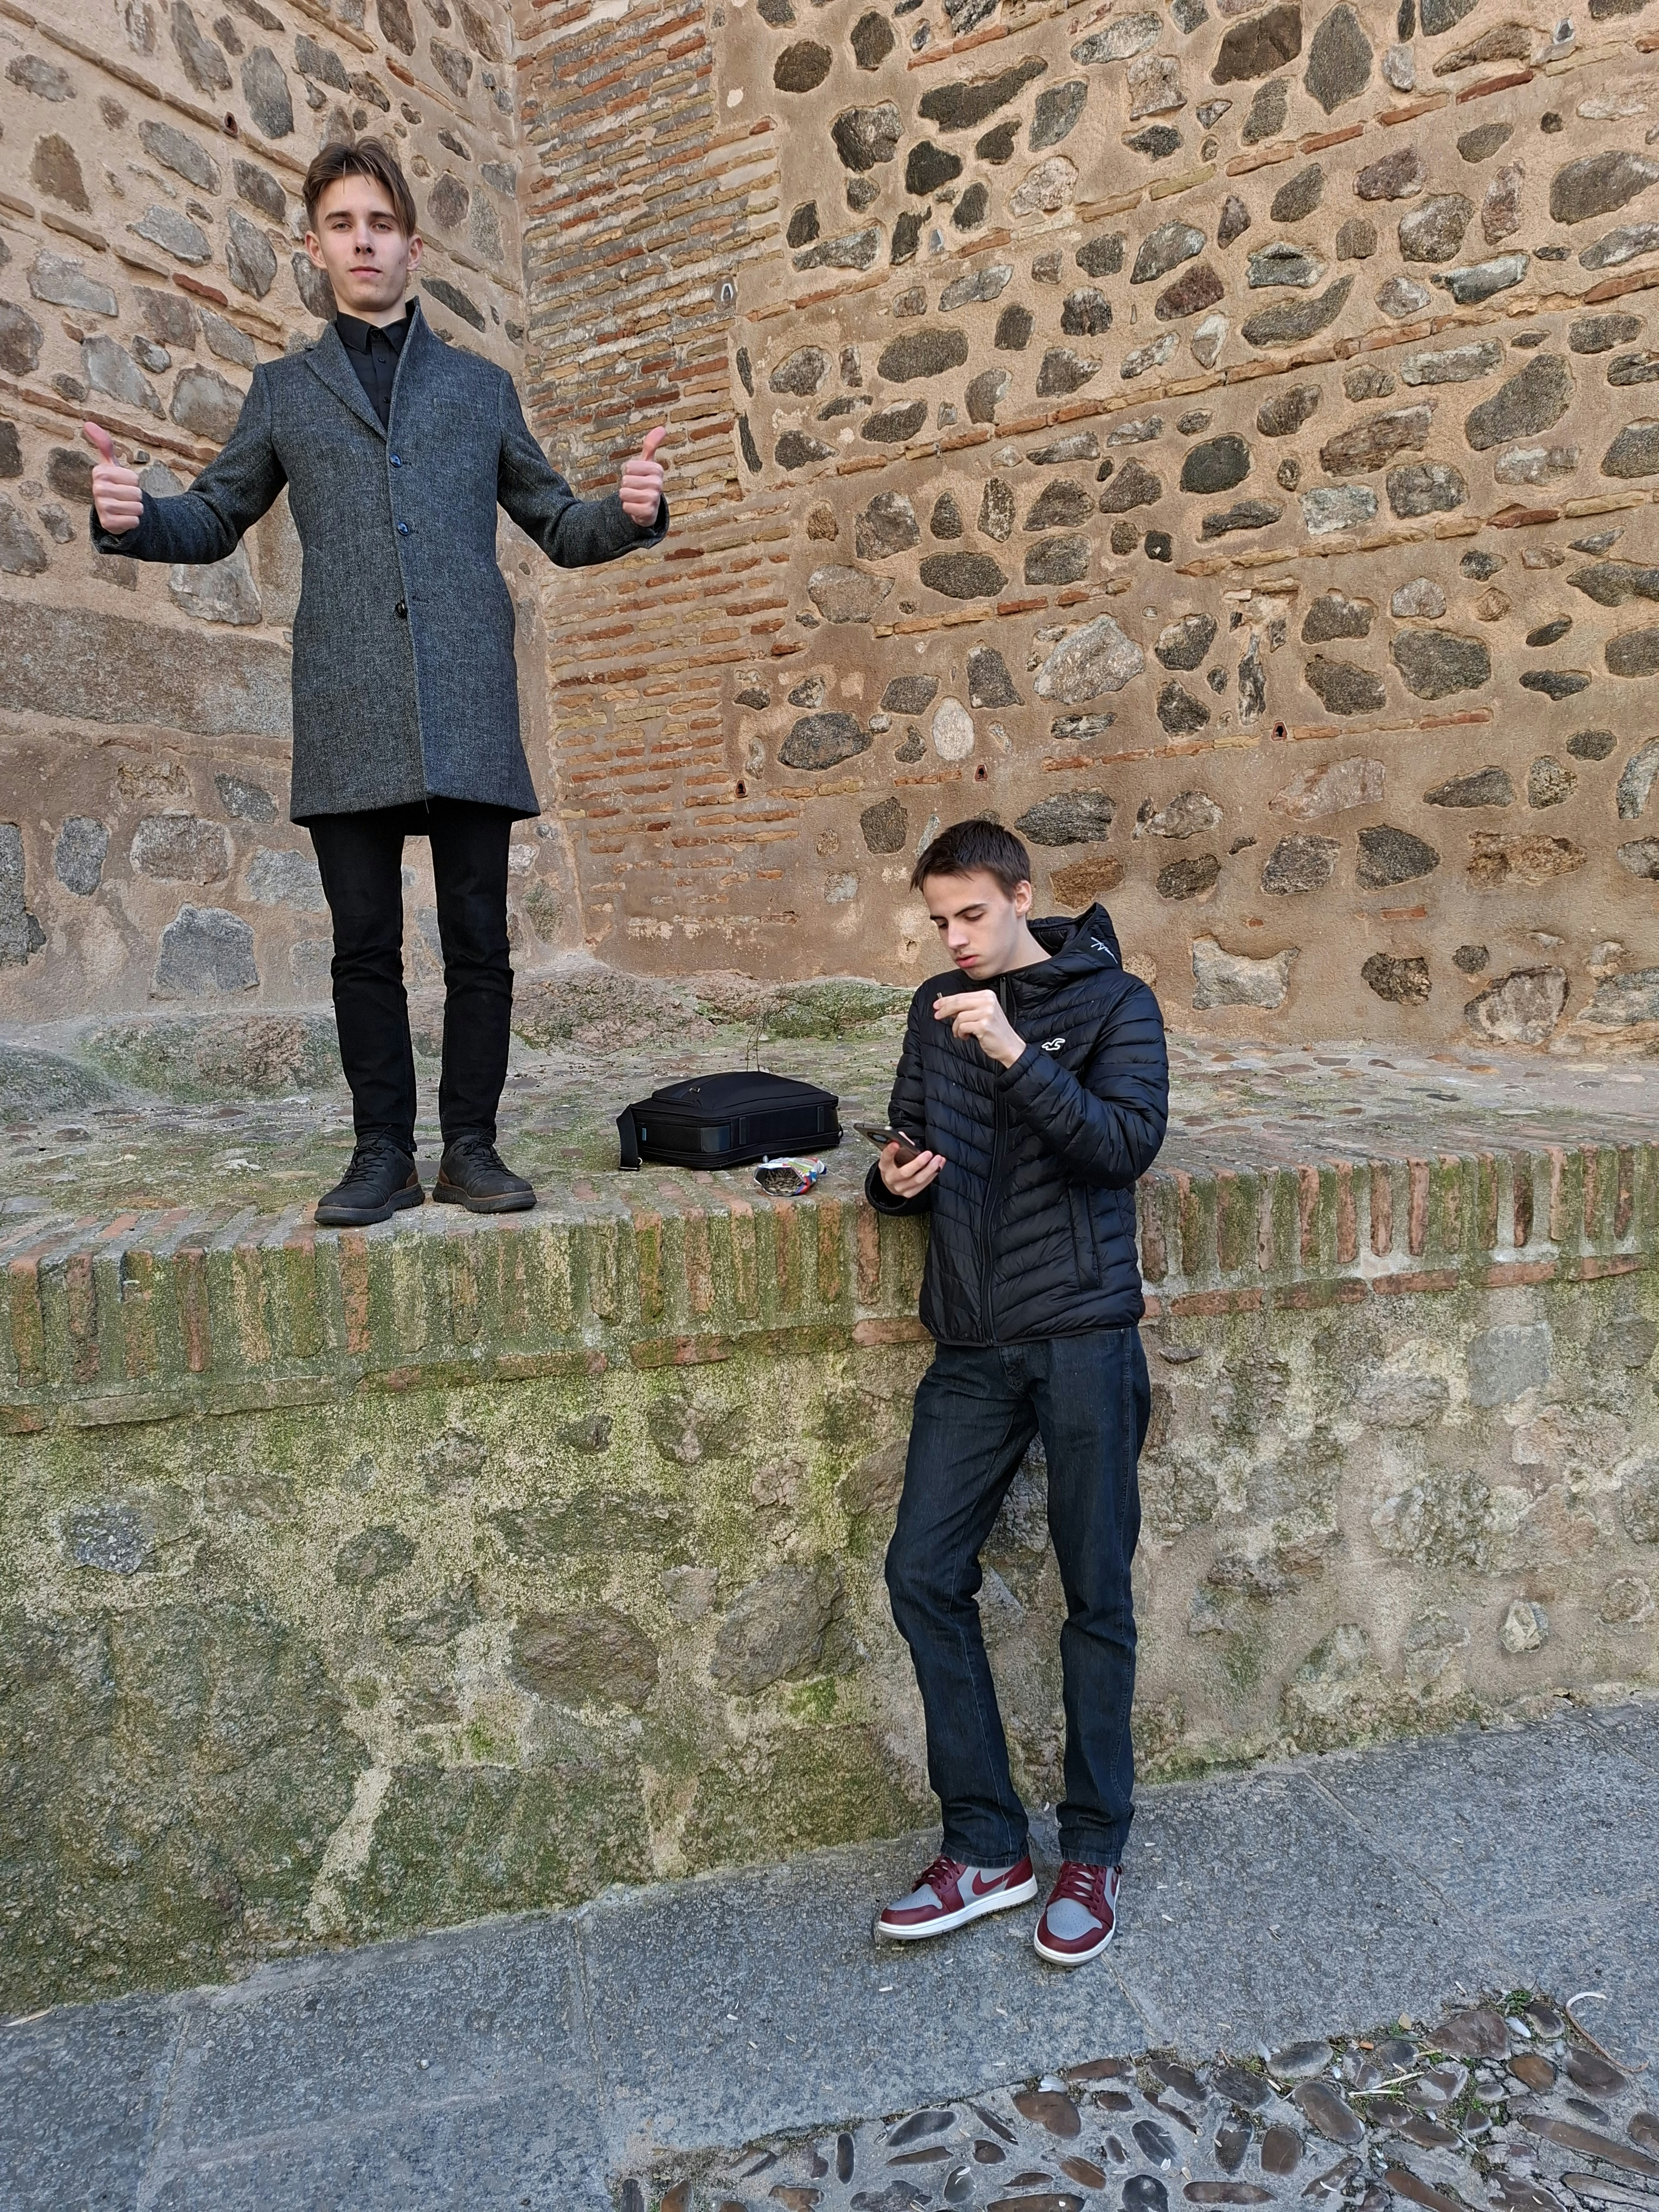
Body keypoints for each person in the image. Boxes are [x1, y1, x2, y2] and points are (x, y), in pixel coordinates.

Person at [83, 137, 668, 1226]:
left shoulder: (482, 389)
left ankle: (474, 1149)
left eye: (382, 224)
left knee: (479, 943)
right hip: (348, 705)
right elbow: (214, 518)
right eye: (343, 225)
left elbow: (558, 521)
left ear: (411, 246)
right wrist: (137, 519)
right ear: (315, 248)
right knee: (364, 949)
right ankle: (381, 1154)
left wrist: (630, 513)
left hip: (470, 705)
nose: (364, 242)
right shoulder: (284, 391)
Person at [865, 818, 1168, 1966]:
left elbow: (1123, 1145)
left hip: (1086, 1339)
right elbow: (908, 1141)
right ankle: (987, 1846)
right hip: (974, 1345)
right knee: (921, 1572)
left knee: (1097, 1596)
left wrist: (1016, 1055)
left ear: (1023, 898)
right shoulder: (930, 1012)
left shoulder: (1114, 1005)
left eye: (972, 915)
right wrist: (894, 1181)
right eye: (940, 920)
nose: (955, 939)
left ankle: (1093, 1851)